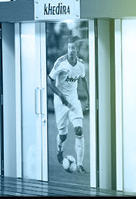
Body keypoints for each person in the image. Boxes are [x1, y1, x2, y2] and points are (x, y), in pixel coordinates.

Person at [48, 36, 89, 174]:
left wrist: (88, 97)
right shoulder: (60, 62)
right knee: (63, 135)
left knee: (79, 130)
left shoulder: (80, 65)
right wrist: (60, 95)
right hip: (60, 102)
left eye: (73, 48)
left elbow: (83, 80)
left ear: (77, 49)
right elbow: (49, 81)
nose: (71, 50)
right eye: (69, 47)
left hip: (74, 101)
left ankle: (80, 163)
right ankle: (60, 149)